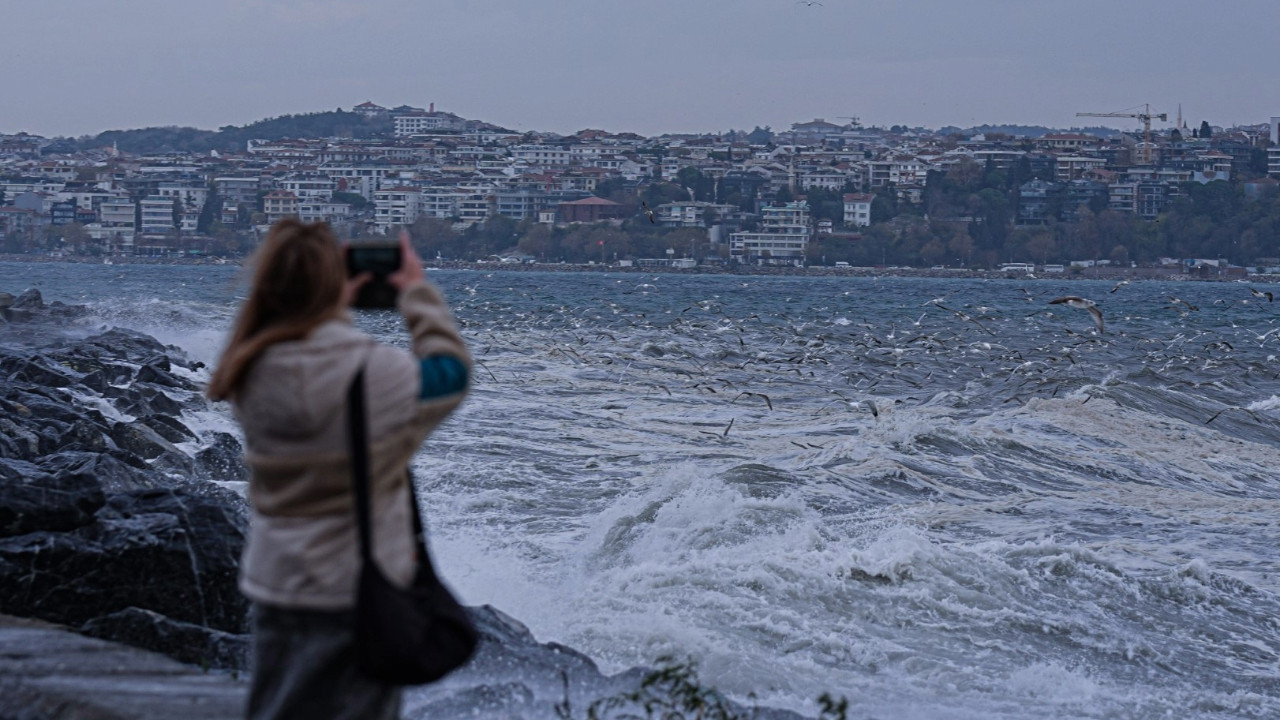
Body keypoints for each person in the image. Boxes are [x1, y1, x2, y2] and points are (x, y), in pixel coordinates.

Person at [206, 219, 470, 719]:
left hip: (275, 577)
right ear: (338, 283)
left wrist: (326, 296)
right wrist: (415, 292)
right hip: (355, 589)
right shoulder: (374, 370)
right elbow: (451, 372)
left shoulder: (246, 367)